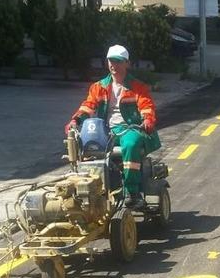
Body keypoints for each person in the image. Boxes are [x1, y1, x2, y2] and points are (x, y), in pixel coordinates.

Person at [65, 45, 160, 208]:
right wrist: (76, 120)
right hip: (106, 131)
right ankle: (91, 190)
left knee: (130, 145)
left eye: (117, 61)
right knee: (85, 146)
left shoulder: (138, 87)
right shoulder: (99, 86)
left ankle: (132, 192)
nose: (113, 65)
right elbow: (88, 106)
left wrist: (148, 120)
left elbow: (147, 106)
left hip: (131, 128)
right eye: (111, 61)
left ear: (126, 64)